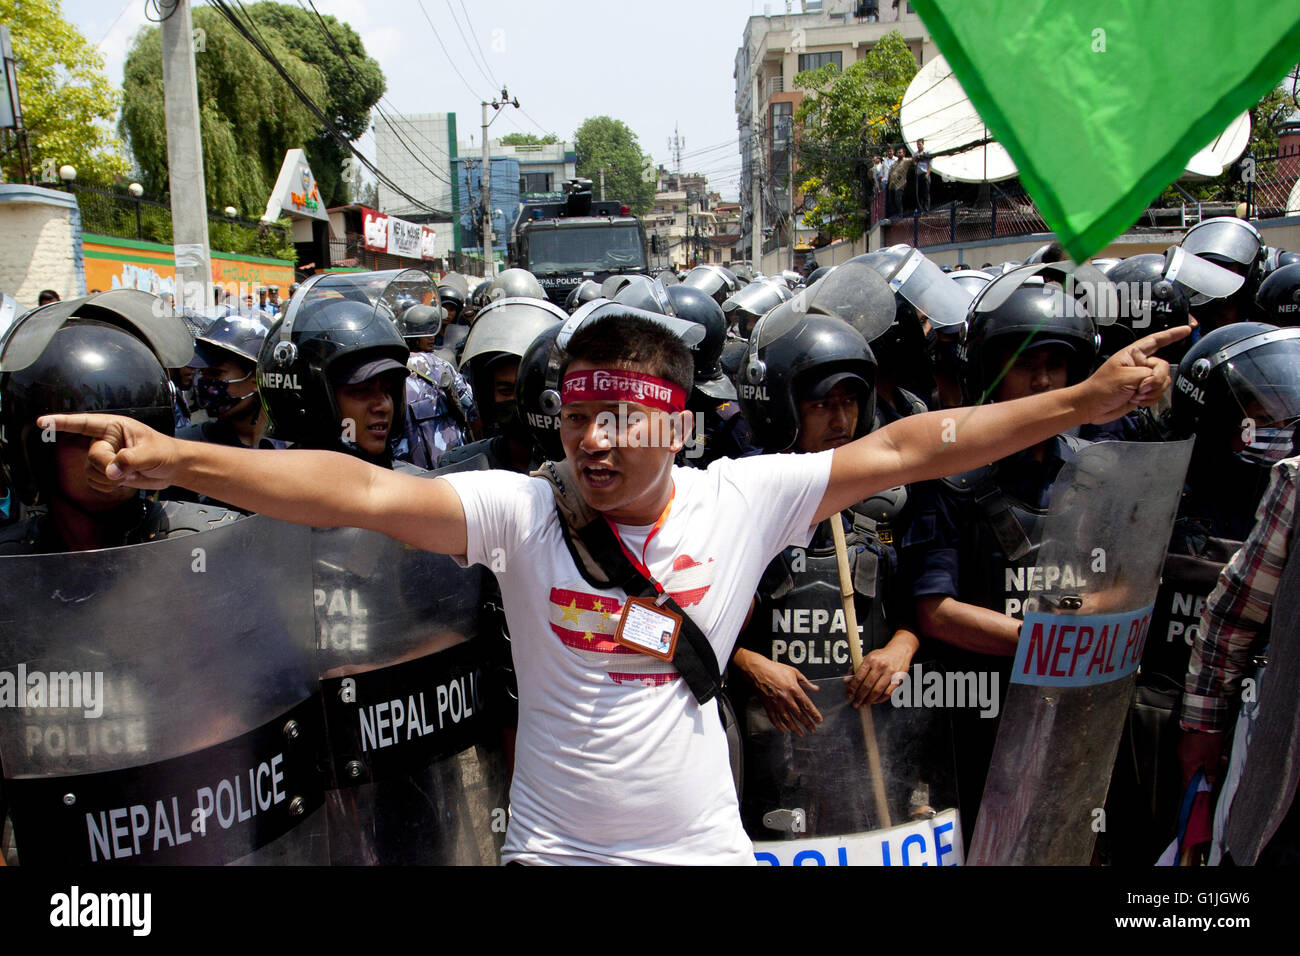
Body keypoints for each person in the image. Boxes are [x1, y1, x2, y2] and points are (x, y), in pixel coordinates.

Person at [45, 301, 1184, 864]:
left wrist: (1080, 402)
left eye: (620, 414)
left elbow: (917, 446)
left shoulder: (745, 498)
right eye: (579, 411)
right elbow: (350, 492)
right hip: (551, 853)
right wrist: (170, 457)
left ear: (674, 421)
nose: (592, 437)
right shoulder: (524, 513)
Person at [898, 266, 1102, 841]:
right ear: (992, 371)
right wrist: (1046, 643)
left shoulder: (1098, 473)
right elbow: (934, 610)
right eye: (1026, 365)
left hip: (1077, 708)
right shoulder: (952, 477)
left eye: (1055, 365)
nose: (1043, 381)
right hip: (982, 715)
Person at [0, 298, 238, 555]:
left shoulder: (205, 543)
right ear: (35, 453)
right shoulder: (11, 560)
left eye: (129, 434)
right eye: (84, 436)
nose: (108, 453)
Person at [393, 303, 476, 470]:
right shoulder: (441, 365)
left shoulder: (392, 370)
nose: (432, 337)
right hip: (453, 462)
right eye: (426, 333)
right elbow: (469, 404)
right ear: (414, 336)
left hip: (411, 469)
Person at [915, 140, 932, 212]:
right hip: (918, 175)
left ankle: (926, 209)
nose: (918, 146)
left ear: (923, 144)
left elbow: (930, 165)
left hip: (925, 174)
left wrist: (927, 174)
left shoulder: (927, 153)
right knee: (920, 193)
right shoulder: (915, 153)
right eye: (917, 145)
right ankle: (920, 209)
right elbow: (913, 162)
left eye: (920, 144)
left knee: (926, 192)